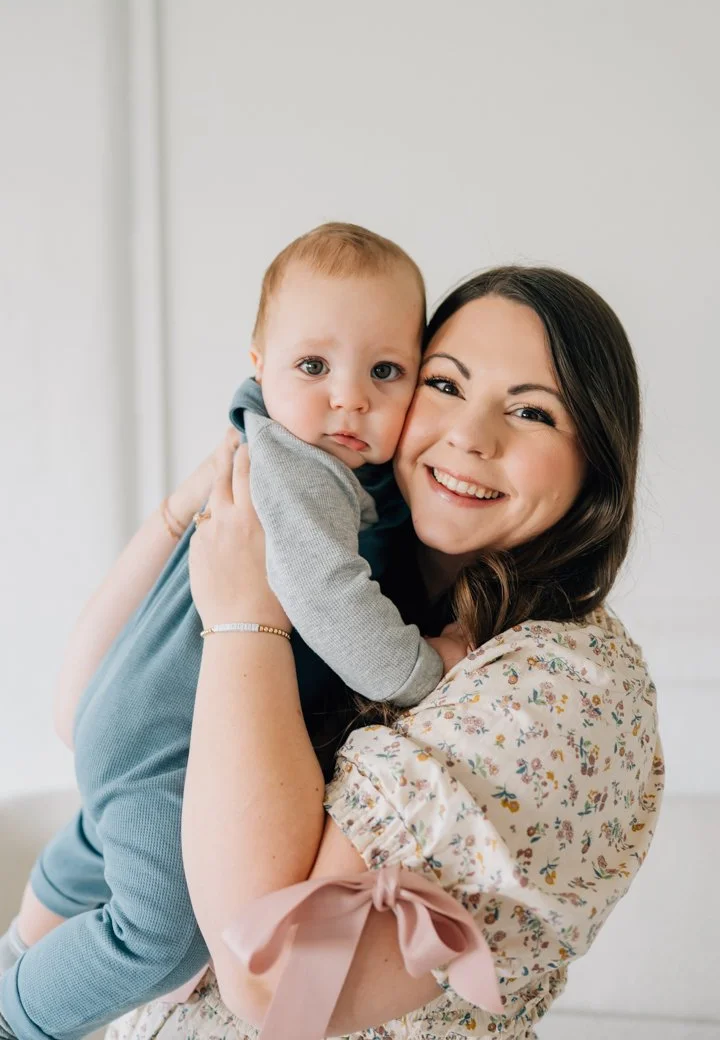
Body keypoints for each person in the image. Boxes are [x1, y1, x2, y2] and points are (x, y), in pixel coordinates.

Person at [106, 265, 663, 1039]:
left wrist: (243, 618)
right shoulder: (354, 568)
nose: (470, 435)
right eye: (444, 384)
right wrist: (188, 515)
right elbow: (84, 718)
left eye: (532, 411)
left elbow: (278, 984)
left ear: (595, 463)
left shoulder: (564, 691)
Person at [0, 223, 464, 1040]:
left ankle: (18, 946)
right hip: (169, 743)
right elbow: (329, 599)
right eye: (313, 367)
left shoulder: (328, 465)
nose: (349, 397)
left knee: (103, 842)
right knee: (163, 934)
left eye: (384, 371)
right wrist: (428, 672)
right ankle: (20, 1014)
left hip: (137, 726)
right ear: (260, 366)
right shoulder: (298, 471)